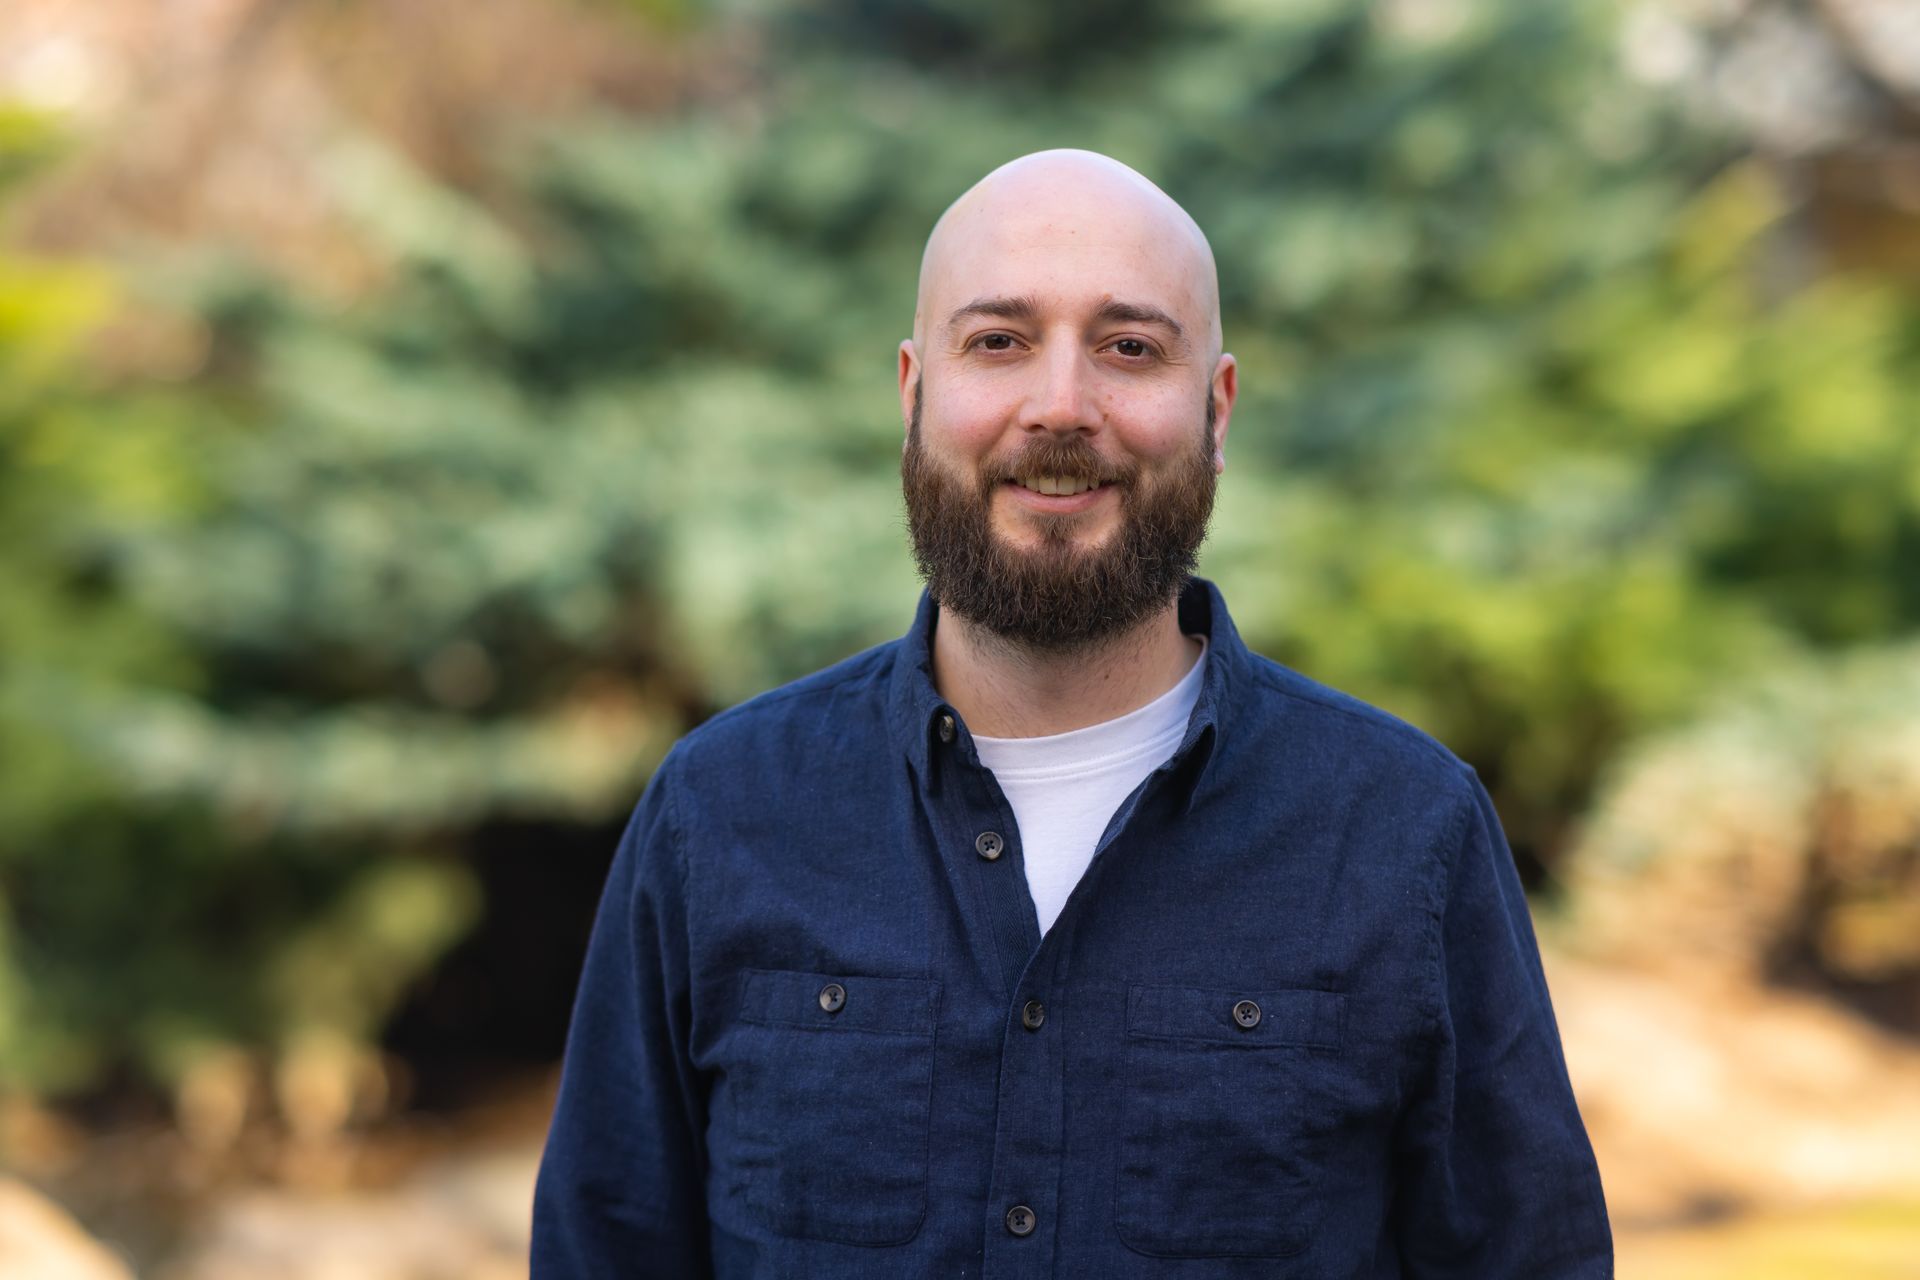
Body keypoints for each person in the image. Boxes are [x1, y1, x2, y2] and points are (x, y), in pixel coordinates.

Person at [531, 149, 1612, 1278]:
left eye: (1129, 347)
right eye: (998, 341)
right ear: (913, 394)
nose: (1060, 406)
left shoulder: (1404, 829)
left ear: (1216, 408)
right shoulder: (719, 812)